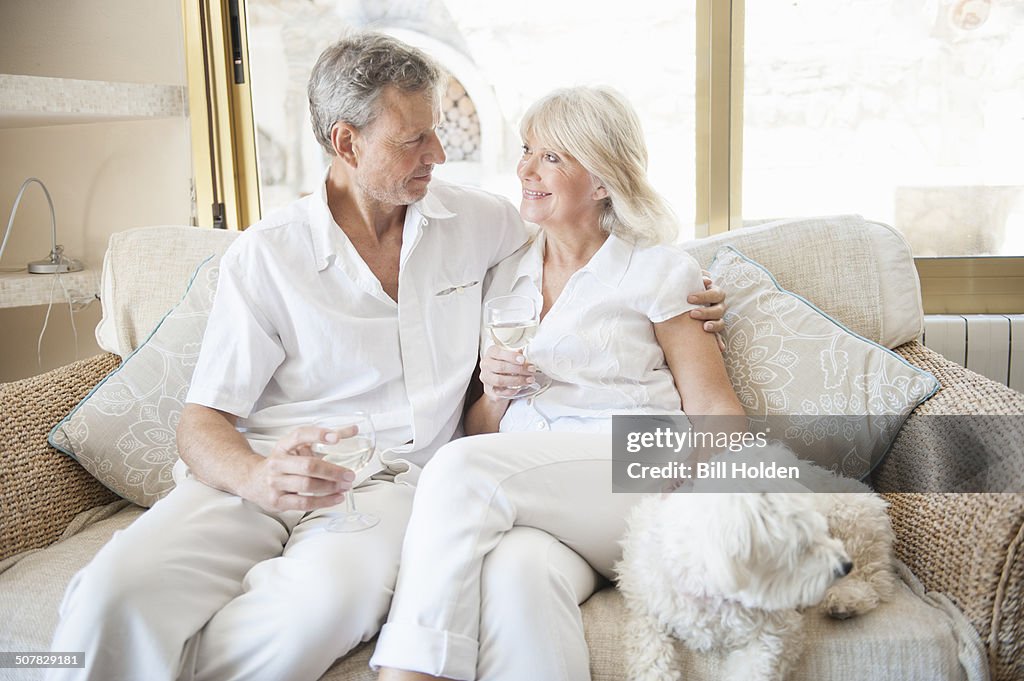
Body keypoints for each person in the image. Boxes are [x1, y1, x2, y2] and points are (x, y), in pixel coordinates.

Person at [46, 34, 725, 681]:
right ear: (347, 142)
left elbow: (592, 228)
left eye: (435, 129)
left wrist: (690, 286)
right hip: (258, 473)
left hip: (393, 488)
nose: (440, 151)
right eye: (414, 139)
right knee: (112, 593)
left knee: (317, 610)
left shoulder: (480, 223)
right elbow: (201, 422)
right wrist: (257, 476)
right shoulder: (268, 255)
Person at [372, 86, 747, 681]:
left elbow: (715, 410)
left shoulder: (659, 270)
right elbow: (483, 427)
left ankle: (407, 672)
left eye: (551, 156)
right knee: (519, 573)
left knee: (461, 467)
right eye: (526, 149)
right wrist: (493, 392)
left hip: (642, 476)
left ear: (601, 181)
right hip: (551, 503)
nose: (524, 169)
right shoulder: (505, 280)